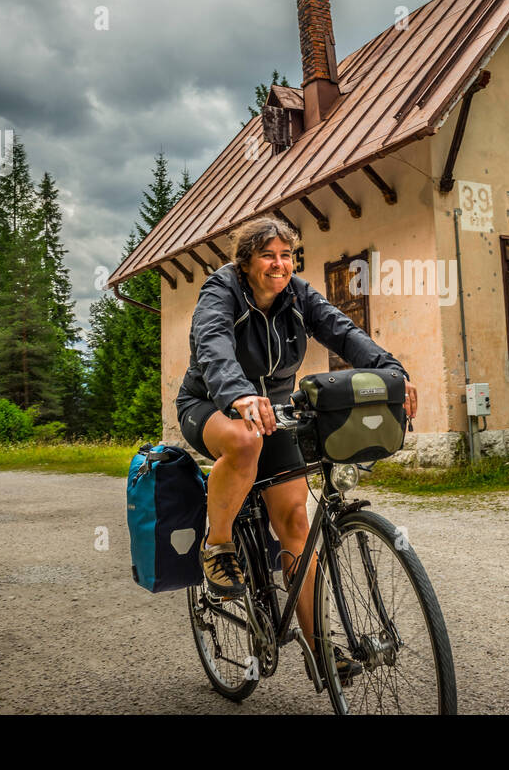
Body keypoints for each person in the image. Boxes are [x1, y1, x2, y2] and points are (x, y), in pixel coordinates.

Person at [176, 215, 417, 682]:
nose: (279, 264)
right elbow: (213, 345)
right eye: (268, 254)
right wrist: (238, 394)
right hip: (212, 404)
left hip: (276, 410)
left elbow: (343, 332)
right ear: (246, 260)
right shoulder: (220, 290)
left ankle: (321, 648)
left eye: (286, 255)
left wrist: (391, 370)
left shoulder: (298, 295)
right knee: (245, 441)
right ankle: (218, 544)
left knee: (295, 525)